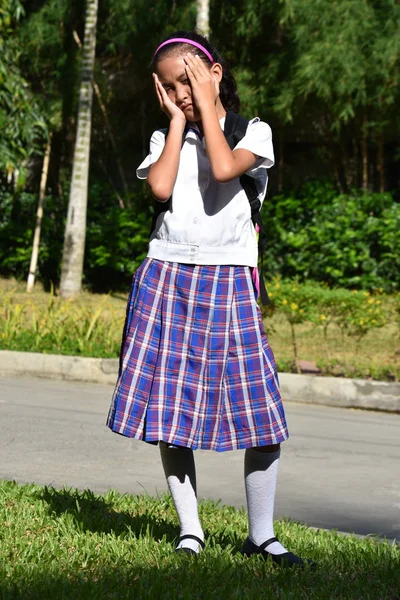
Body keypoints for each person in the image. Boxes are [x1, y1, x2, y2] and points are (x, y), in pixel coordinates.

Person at [107, 30, 313, 568]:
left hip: (230, 281)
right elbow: (159, 188)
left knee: (259, 409)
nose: (180, 92)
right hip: (167, 276)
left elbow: (223, 168)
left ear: (215, 73)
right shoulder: (164, 138)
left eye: (188, 80)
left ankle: (262, 534)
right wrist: (179, 121)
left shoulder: (254, 133)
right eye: (169, 86)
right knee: (170, 411)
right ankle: (190, 529)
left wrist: (206, 110)